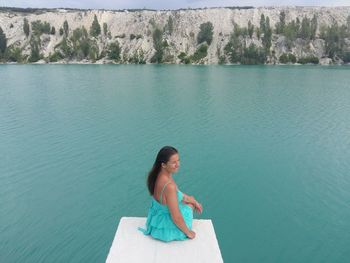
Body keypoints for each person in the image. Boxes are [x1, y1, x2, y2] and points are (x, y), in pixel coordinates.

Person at [138, 146, 203, 242]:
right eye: (174, 162)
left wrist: (194, 201)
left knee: (191, 200)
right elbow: (176, 217)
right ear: (163, 165)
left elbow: (178, 194)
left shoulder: (159, 175)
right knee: (190, 206)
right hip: (165, 230)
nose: (178, 164)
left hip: (155, 221)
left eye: (178, 160)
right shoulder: (169, 186)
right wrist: (189, 233)